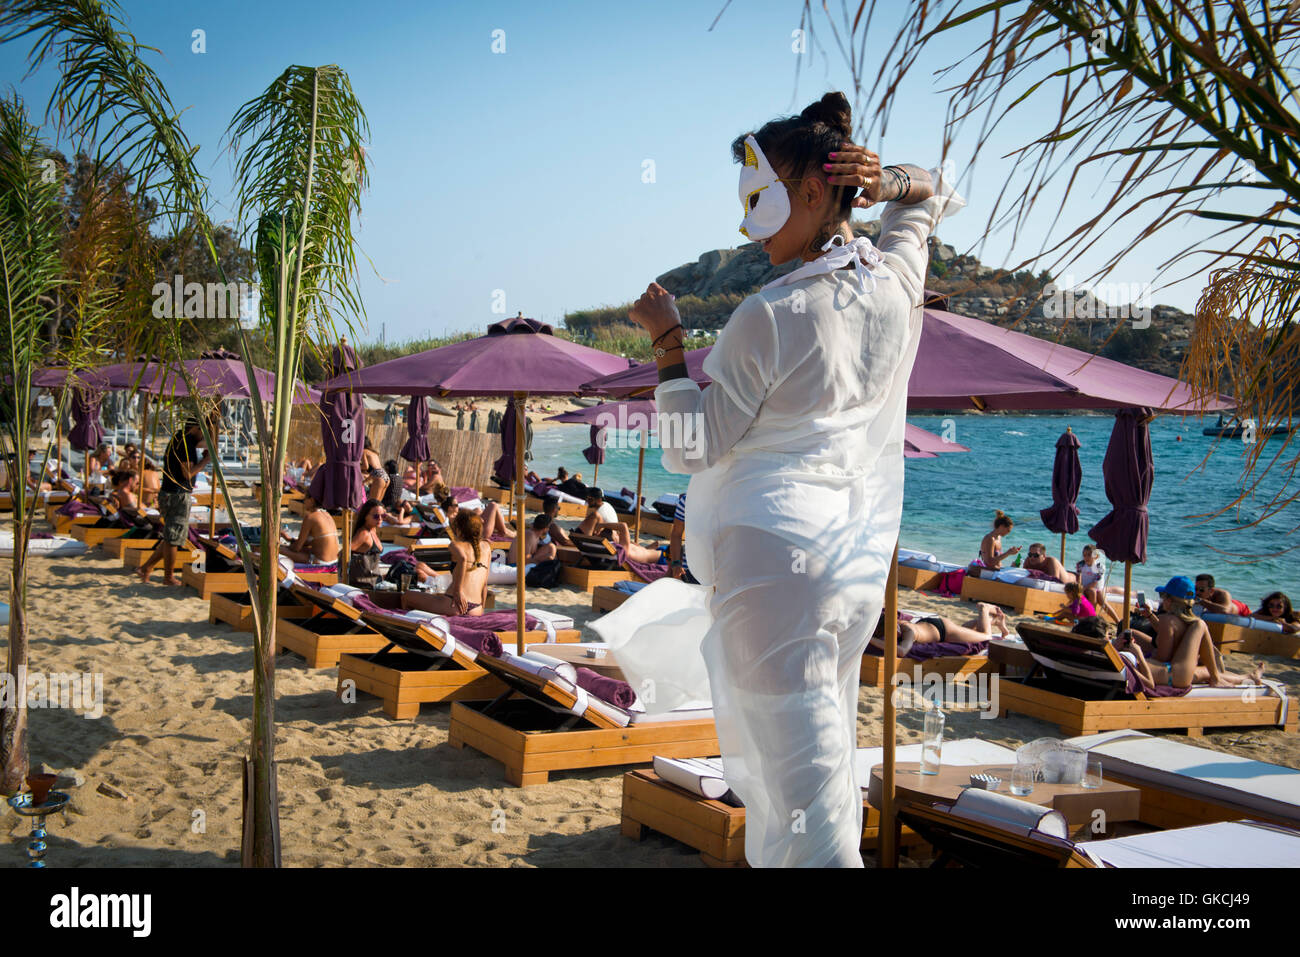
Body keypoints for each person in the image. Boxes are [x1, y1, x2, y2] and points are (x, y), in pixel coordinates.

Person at [606, 92, 963, 867]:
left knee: (799, 791)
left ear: (811, 190)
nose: (747, 228)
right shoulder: (898, 283)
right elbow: (937, 193)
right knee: (822, 774)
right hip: (850, 565)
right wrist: (892, 183)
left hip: (769, 561)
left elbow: (688, 446)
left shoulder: (768, 313)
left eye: (759, 201)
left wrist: (668, 345)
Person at [139, 415, 216, 585]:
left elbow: (201, 444)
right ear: (196, 429)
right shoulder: (186, 443)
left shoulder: (180, 437)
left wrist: (209, 442)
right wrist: (206, 460)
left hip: (169, 493)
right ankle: (168, 577)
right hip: (177, 495)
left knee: (171, 537)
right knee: (174, 538)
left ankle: (146, 567)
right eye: (205, 433)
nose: (206, 437)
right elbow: (187, 473)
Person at [402, 509, 491, 617]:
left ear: (458, 529)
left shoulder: (456, 545)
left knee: (406, 596)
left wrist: (458, 592)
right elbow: (485, 585)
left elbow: (463, 559)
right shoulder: (487, 547)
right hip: (476, 608)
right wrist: (482, 609)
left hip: (453, 604)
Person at [870, 603, 1007, 655]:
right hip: (931, 625)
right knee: (972, 633)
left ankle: (984, 609)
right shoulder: (897, 625)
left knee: (985, 635)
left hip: (944, 631)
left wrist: (870, 640)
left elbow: (902, 651)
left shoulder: (907, 631)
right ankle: (994, 621)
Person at [277, 494, 340, 566]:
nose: (303, 502)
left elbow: (296, 548)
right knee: (292, 548)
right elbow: (307, 543)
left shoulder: (311, 517)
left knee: (277, 550)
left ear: (312, 500)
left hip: (322, 562)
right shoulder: (327, 515)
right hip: (334, 560)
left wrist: (286, 547)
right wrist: (288, 538)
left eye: (305, 499)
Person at [348, 499, 386, 588]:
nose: (380, 519)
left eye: (383, 515)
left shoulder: (373, 530)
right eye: (376, 516)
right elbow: (343, 553)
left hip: (374, 580)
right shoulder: (364, 534)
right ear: (365, 516)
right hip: (365, 584)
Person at [668, 491, 696, 584]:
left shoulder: (728, 501)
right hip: (689, 570)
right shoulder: (687, 500)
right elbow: (676, 534)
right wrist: (676, 564)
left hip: (720, 572)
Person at [361, 437, 387, 502]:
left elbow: (365, 466)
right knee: (377, 504)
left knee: (372, 503)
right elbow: (375, 470)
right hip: (385, 476)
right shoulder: (373, 453)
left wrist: (356, 466)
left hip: (379, 477)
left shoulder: (364, 451)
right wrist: (364, 481)